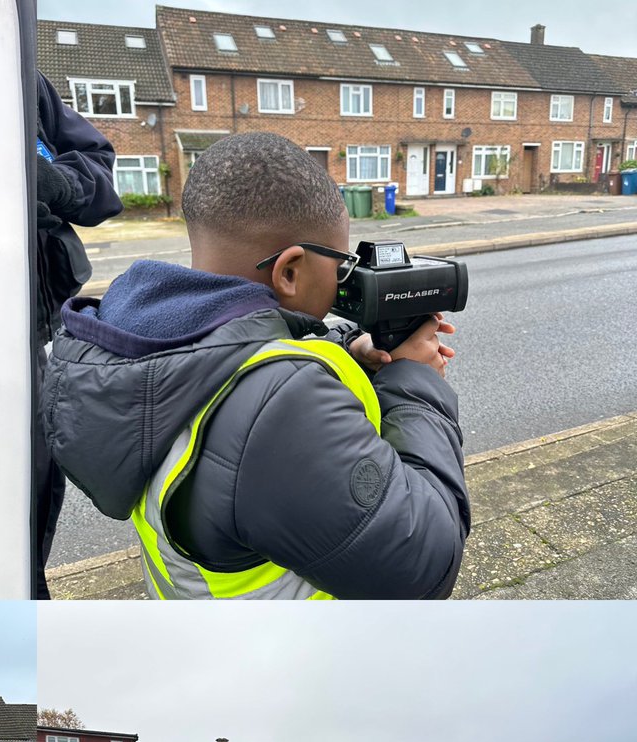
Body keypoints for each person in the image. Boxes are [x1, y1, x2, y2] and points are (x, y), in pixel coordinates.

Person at [42, 130, 469, 601]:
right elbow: (424, 567)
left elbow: (241, 343)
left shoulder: (137, 341)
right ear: (289, 270)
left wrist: (350, 350)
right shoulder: (278, 405)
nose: (346, 279)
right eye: (341, 265)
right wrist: (417, 382)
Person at [32, 71, 123, 598]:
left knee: (27, 493)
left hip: (14, 332)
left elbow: (98, 173)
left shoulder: (19, 78)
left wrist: (57, 183)